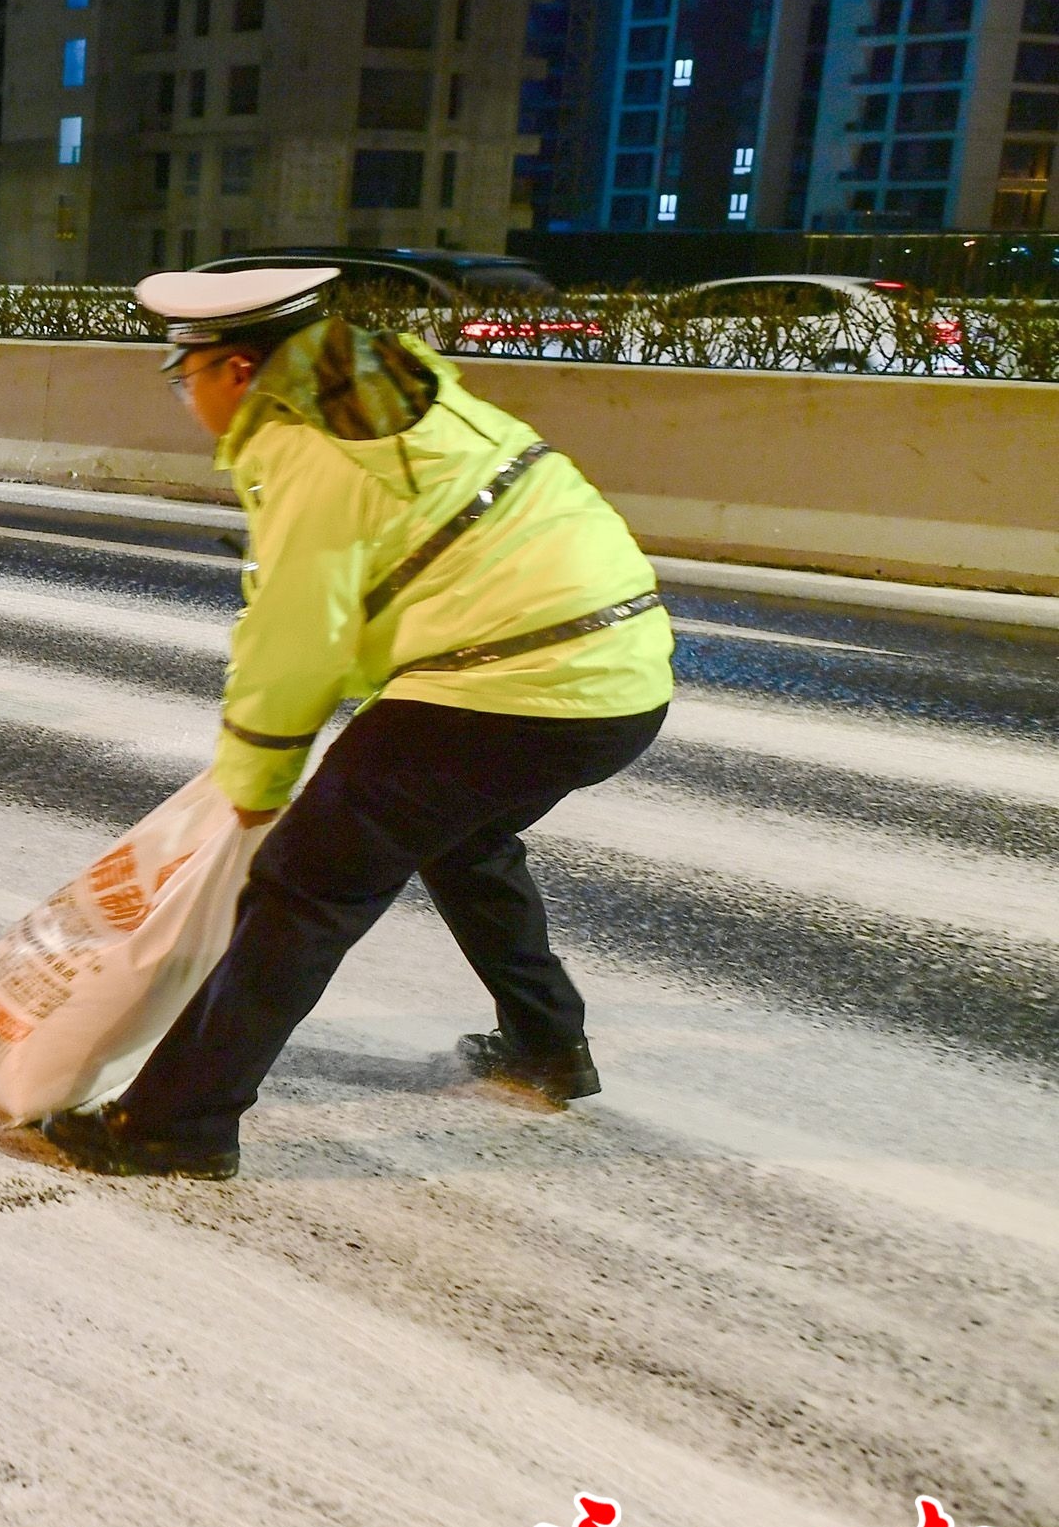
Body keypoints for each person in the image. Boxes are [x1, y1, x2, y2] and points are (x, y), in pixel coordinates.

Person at [38, 266, 676, 1180]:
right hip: (618, 684)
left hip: (507, 688)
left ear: (239, 370)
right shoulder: (401, 396)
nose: (186, 400)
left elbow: (297, 638)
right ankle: (546, 1045)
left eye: (186, 378)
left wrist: (253, 788)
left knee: (302, 889)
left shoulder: (313, 445)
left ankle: (175, 1126)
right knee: (465, 842)